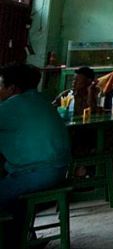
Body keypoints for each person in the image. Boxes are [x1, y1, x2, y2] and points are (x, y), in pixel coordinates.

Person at [0, 64, 70, 245]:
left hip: (37, 174)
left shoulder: (12, 106)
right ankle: (21, 238)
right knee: (12, 197)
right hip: (58, 170)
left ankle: (14, 240)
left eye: (1, 85)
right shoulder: (40, 100)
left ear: (12, 88)